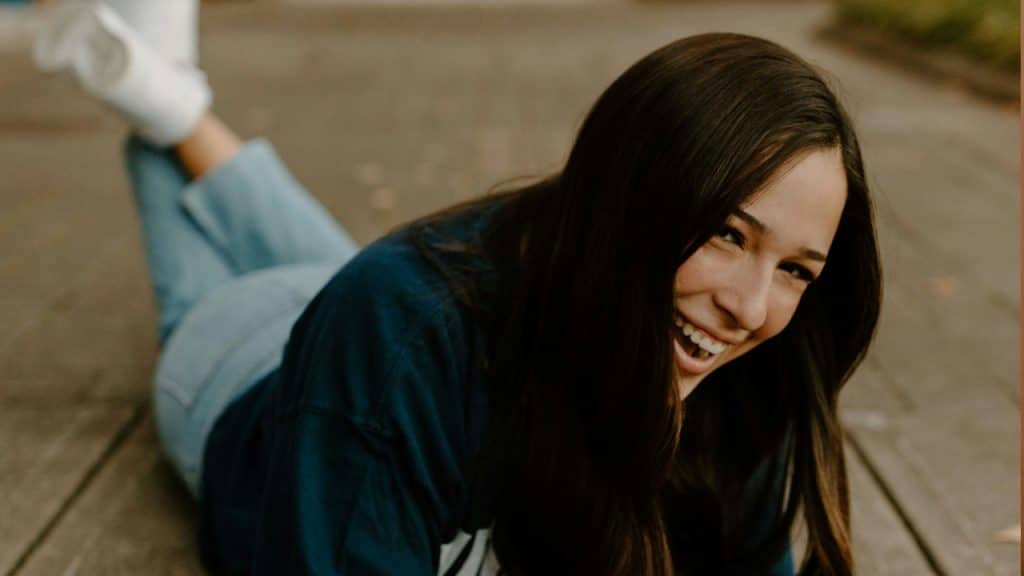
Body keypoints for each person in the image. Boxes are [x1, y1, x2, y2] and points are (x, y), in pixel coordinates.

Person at [34, 2, 882, 575]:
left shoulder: (743, 371)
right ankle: (163, 103)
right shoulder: (398, 332)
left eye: (796, 269)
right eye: (728, 233)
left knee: (376, 287)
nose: (750, 307)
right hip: (236, 373)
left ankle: (162, 96)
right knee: (271, 298)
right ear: (633, 202)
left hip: (375, 319)